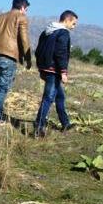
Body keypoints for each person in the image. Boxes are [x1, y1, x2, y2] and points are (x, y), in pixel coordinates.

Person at [0, 0, 32, 126]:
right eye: (26, 9)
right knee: (3, 87)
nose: (26, 12)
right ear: (22, 7)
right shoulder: (21, 18)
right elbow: (24, 40)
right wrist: (28, 58)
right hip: (8, 56)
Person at [34, 10, 78, 138]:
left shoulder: (47, 31)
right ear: (67, 20)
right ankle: (39, 126)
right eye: (73, 23)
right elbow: (61, 53)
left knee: (60, 97)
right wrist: (64, 72)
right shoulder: (63, 33)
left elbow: (38, 50)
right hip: (54, 71)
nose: (73, 27)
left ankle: (65, 123)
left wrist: (41, 67)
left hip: (46, 68)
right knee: (48, 98)